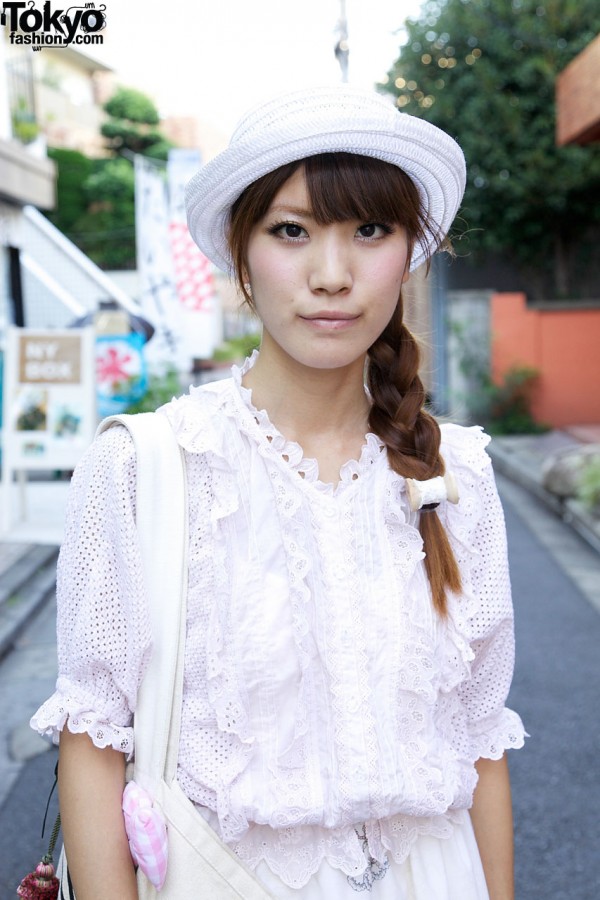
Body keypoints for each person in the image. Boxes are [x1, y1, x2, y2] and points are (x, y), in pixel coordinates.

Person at [32, 85, 526, 900]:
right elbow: (93, 738)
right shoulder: (146, 465)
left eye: (370, 230)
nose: (331, 276)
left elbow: (481, 740)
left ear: (411, 251)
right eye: (291, 231)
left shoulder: (459, 473)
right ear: (240, 250)